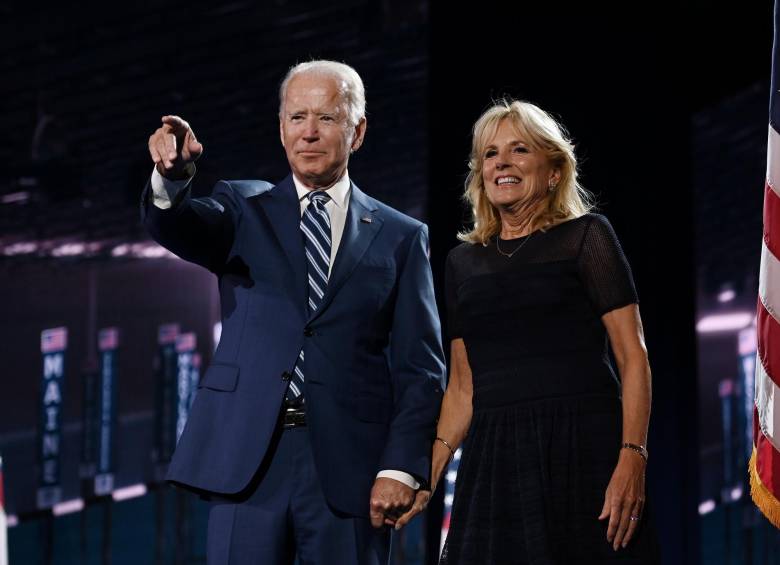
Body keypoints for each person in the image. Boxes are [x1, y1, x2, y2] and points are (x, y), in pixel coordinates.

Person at [142, 60, 445, 565]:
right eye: (296, 117)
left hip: (350, 470)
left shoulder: (401, 236)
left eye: (326, 118)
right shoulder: (241, 207)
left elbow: (422, 368)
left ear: (358, 130)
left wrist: (401, 467)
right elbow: (180, 227)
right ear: (281, 128)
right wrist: (171, 179)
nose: (309, 133)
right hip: (249, 459)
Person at [394, 99, 660, 563]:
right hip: (496, 459)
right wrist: (425, 476)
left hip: (583, 450)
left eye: (519, 150)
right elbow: (461, 388)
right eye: (490, 153)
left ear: (553, 170)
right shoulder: (462, 263)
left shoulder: (587, 237)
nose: (502, 162)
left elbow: (632, 355)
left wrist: (632, 456)